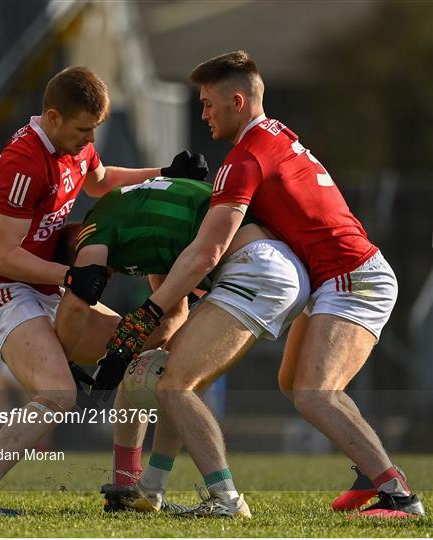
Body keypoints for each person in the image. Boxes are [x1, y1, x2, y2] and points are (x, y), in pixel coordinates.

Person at [98, 51, 424, 518]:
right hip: (332, 279)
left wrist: (143, 317)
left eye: (209, 104)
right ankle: (373, 472)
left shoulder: (245, 158)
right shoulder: (276, 135)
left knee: (313, 393)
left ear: (237, 100)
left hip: (352, 279)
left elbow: (208, 251)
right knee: (294, 384)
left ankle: (398, 495)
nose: (203, 114)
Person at [0, 65, 208, 517]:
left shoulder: (74, 146)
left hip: (47, 286)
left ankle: (126, 489)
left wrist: (162, 172)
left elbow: (99, 179)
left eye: (94, 132)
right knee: (58, 394)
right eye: (83, 130)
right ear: (52, 117)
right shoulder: (23, 163)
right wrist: (69, 277)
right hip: (2, 291)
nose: (89, 141)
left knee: (139, 348)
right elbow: (1, 257)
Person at [57, 176, 309, 518]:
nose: (108, 279)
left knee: (175, 385)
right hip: (267, 266)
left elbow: (77, 302)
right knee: (162, 374)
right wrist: (122, 354)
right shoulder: (134, 218)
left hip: (254, 269)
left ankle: (227, 500)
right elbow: (172, 316)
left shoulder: (95, 233)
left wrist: (66, 362)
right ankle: (143, 489)